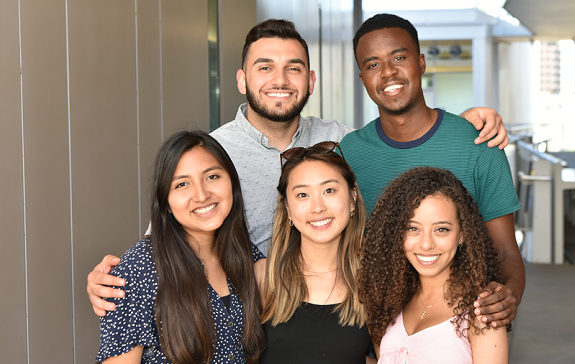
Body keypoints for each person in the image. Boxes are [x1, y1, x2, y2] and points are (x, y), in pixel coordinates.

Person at [87, 19, 509, 316]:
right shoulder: (210, 155)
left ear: (311, 80)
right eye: (264, 67)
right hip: (243, 324)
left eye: (293, 68)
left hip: (343, 312)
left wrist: (466, 121)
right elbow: (166, 238)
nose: (280, 79)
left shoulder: (344, 142)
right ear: (241, 79)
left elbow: (404, 147)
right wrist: (112, 281)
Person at [340, 13, 525, 329]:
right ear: (362, 79)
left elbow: (506, 250)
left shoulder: (478, 143)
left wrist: (508, 294)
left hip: (465, 325)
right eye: (372, 65)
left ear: (421, 63)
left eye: (399, 57)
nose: (388, 72)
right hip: (377, 328)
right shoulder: (349, 153)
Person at [96, 130, 266, 363]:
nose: (202, 194)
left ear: (232, 183)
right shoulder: (139, 268)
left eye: (212, 177)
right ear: (165, 202)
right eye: (182, 184)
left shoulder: (244, 252)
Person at [359, 167, 509, 363]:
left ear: (462, 234)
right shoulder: (387, 302)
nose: (426, 244)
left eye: (441, 229)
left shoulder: (482, 311)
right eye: (413, 228)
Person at [257, 142, 372, 363]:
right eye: (302, 195)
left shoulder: (372, 281)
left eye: (329, 190)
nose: (317, 207)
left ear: (352, 199)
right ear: (288, 209)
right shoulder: (264, 276)